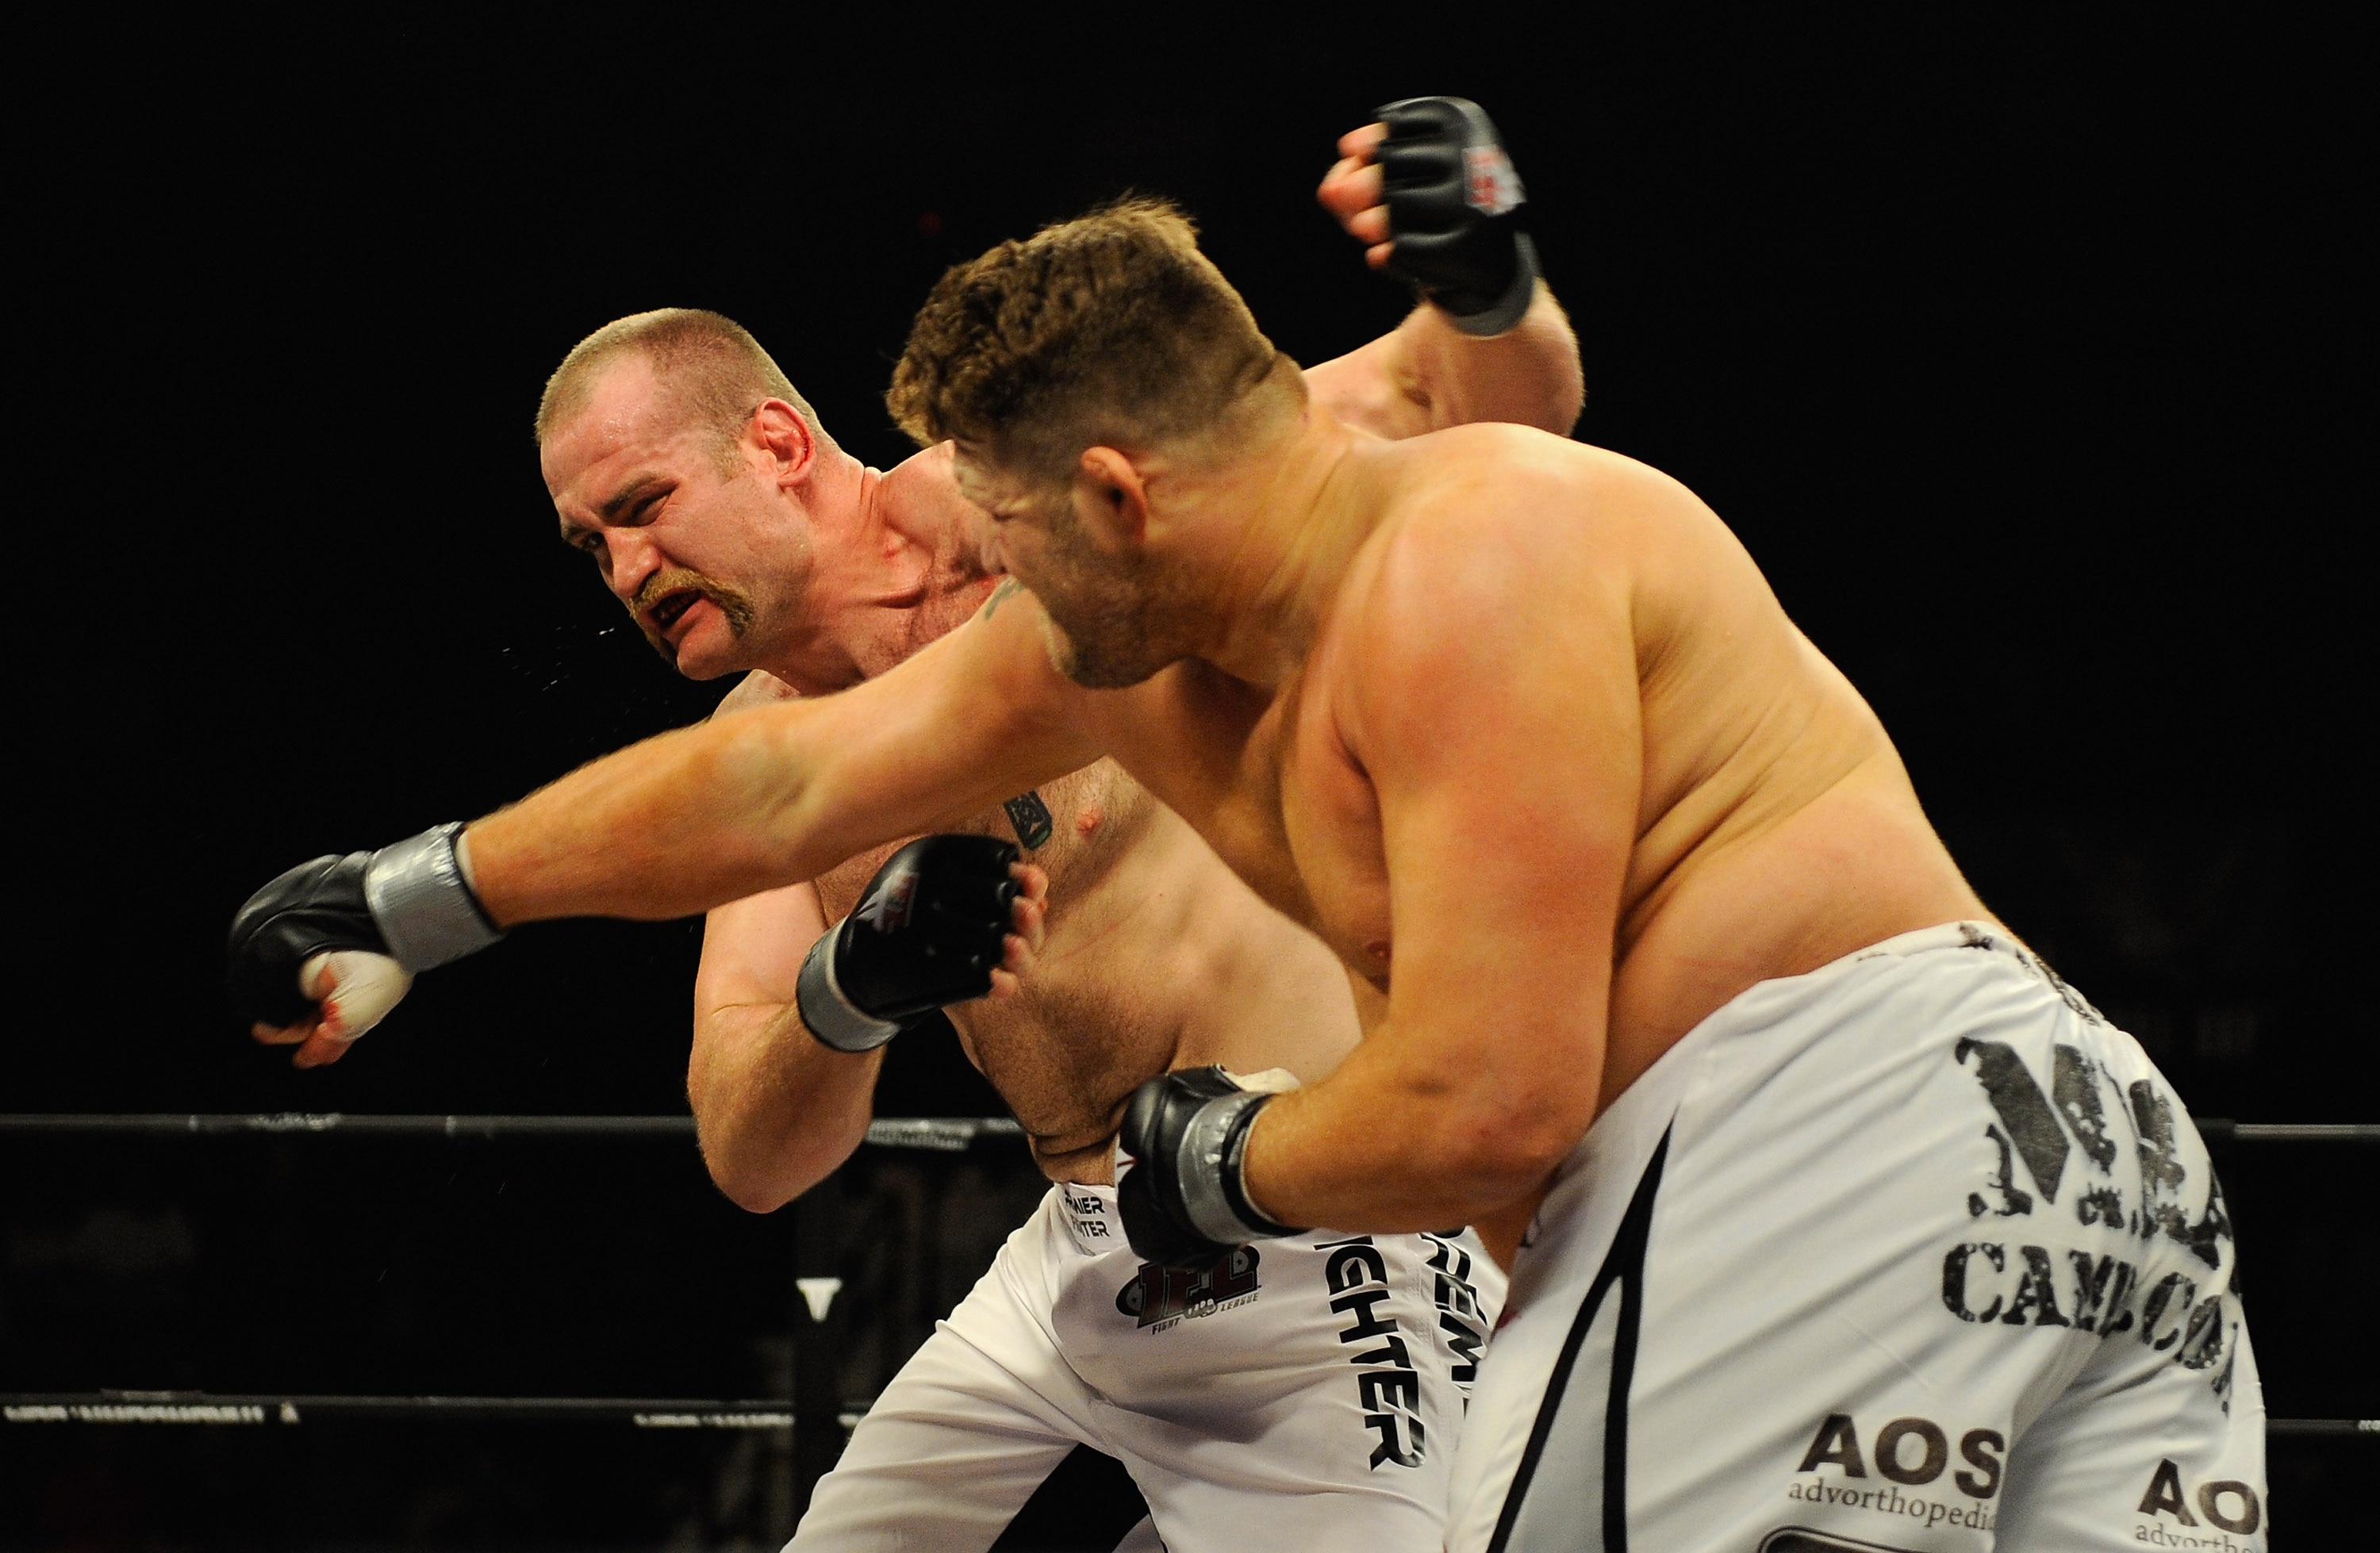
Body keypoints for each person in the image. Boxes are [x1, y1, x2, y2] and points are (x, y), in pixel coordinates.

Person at [233, 142, 2266, 1548]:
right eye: (586, 543)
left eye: (1013, 531)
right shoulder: (1135, 606)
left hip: (1565, 1177)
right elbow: (762, 830)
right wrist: (424, 891)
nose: (991, 580)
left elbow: (1482, 1092)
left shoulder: (1421, 552)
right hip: (2070, 1134)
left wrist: (1225, 1158)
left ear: (1110, 494)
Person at [240, 102, 1585, 1552]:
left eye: (643, 505)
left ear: (773, 441)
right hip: (1075, 1269)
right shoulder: (755, 750)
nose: (627, 567)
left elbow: (1476, 406)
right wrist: (849, 994)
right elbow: (752, 1157)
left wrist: (1487, 280)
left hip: (1316, 1220)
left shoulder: (1055, 505)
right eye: (592, 546)